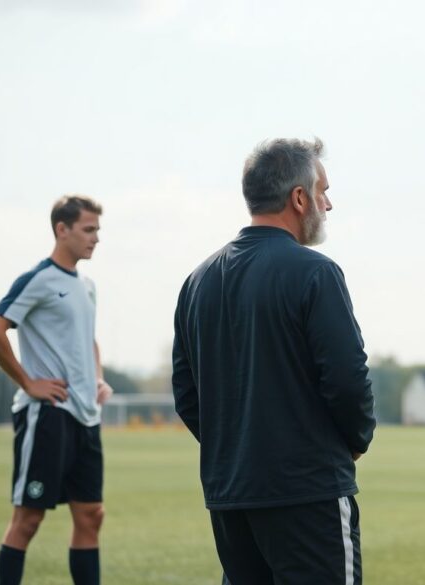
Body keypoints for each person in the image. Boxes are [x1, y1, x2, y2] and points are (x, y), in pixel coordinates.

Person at [172, 137, 375, 584]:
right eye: (323, 191)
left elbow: (186, 394)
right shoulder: (316, 271)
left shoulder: (197, 280)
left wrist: (238, 447)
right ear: (299, 198)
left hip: (231, 494)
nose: (328, 204)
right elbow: (346, 378)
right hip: (308, 491)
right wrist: (356, 440)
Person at [0, 195, 113, 585]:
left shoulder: (87, 286)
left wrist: (98, 378)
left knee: (91, 516)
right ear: (62, 229)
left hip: (86, 417)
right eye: (88, 229)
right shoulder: (38, 279)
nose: (96, 238)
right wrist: (28, 382)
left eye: (97, 230)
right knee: (28, 519)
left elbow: (88, 339)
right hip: (48, 415)